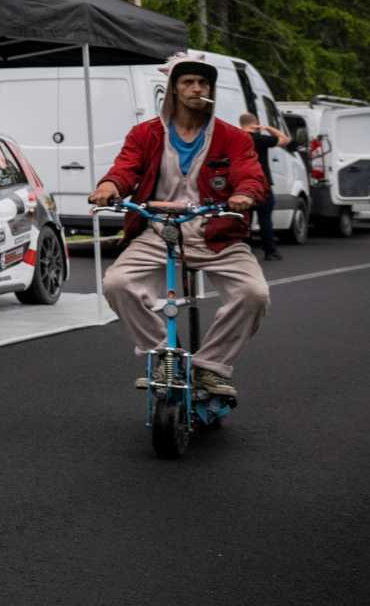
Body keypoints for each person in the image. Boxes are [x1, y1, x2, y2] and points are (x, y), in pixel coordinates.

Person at [89, 54, 269, 398]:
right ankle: (163, 356)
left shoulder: (233, 137)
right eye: (188, 82)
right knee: (117, 283)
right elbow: (125, 167)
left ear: (211, 90)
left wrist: (244, 194)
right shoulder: (145, 134)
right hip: (160, 232)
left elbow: (250, 174)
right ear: (173, 89)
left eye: (203, 83)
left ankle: (209, 366)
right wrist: (109, 186)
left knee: (254, 294)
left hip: (217, 233)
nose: (197, 89)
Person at [235, 110, 288, 262]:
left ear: (241, 123)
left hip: (241, 184)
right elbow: (285, 140)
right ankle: (270, 251)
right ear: (255, 123)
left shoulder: (236, 138)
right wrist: (268, 128)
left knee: (244, 219)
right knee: (265, 219)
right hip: (261, 184)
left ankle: (244, 251)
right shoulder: (260, 139)